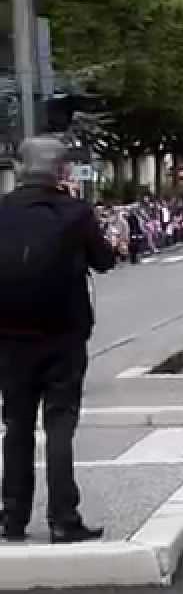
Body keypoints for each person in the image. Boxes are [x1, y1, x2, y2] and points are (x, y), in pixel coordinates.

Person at [0, 136, 114, 543]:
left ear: (19, 168)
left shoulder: (3, 210)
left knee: (16, 425)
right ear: (62, 171)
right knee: (60, 425)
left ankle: (11, 517)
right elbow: (105, 260)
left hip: (10, 338)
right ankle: (63, 518)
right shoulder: (75, 212)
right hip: (63, 336)